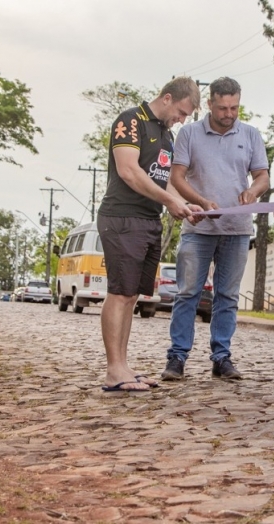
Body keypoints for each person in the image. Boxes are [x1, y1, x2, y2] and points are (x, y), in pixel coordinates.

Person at [160, 76, 270, 381]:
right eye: (223, 108)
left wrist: (253, 192)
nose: (229, 113)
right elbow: (177, 178)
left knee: (228, 296)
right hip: (198, 228)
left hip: (236, 229)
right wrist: (199, 202)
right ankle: (177, 357)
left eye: (234, 107)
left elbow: (263, 177)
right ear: (209, 105)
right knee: (187, 293)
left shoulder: (250, 134)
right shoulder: (189, 133)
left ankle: (221, 357)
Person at [97, 77, 202, 392]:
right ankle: (114, 370)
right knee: (119, 292)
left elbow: (162, 179)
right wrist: (170, 200)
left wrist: (185, 203)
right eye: (182, 112)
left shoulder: (166, 135)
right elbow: (129, 170)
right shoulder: (131, 121)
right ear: (167, 98)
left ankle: (124, 366)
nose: (181, 120)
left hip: (148, 220)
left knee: (131, 296)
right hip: (122, 218)